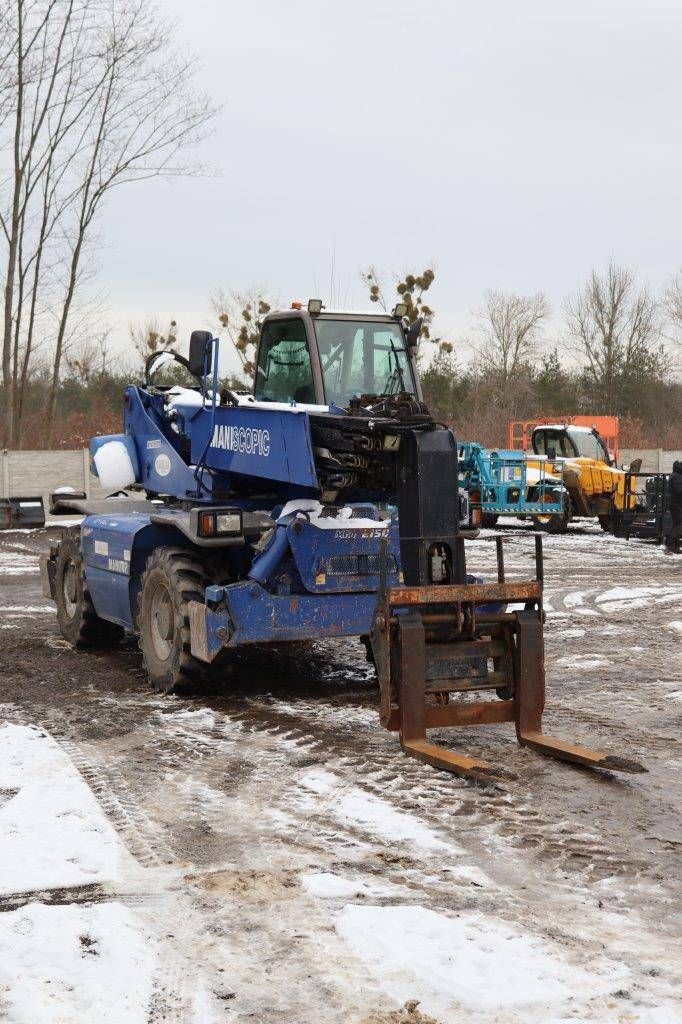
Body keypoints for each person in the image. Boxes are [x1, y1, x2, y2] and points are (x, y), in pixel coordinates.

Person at [665, 459, 682, 554]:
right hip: (677, 504)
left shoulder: (675, 476)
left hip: (675, 504)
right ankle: (669, 547)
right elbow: (679, 490)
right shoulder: (677, 477)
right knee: (679, 526)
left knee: (676, 525)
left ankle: (676, 547)